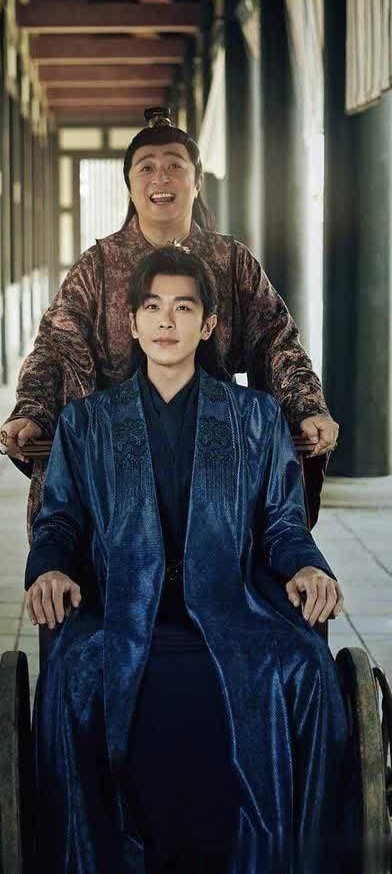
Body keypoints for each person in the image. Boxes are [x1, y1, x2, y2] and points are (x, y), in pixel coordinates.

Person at [23, 247, 354, 874]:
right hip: (119, 606)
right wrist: (51, 567)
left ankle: (265, 853)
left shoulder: (255, 418)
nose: (166, 322)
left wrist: (308, 566)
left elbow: (282, 523)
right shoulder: (87, 423)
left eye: (183, 308)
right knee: (75, 672)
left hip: (233, 600)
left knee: (303, 667)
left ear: (208, 325)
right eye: (152, 308)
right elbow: (60, 518)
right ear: (132, 322)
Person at [0, 107, 339, 538]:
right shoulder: (97, 265)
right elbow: (54, 347)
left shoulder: (232, 260)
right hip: (115, 450)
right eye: (146, 168)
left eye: (175, 166)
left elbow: (277, 341)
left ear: (197, 182)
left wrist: (307, 408)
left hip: (212, 446)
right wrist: (32, 411)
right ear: (129, 186)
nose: (160, 178)